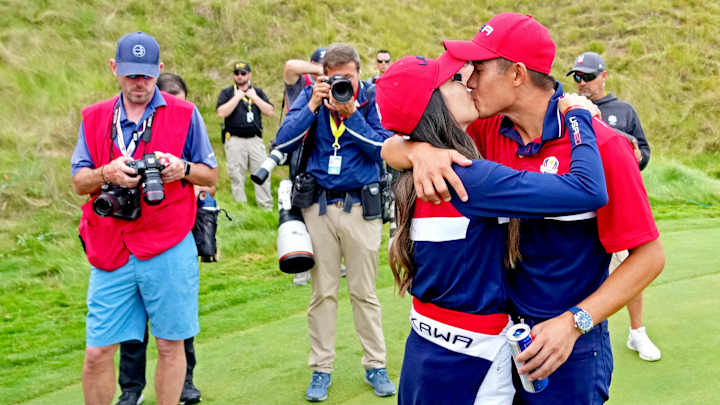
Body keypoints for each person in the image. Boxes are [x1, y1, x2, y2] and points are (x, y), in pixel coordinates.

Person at [382, 13, 665, 404]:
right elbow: (394, 142)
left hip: (567, 349)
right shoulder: (480, 129)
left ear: (516, 74)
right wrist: (419, 150)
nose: (469, 79)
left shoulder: (603, 146)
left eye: (479, 68)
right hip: (496, 345)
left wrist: (574, 324)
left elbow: (649, 256)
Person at [70, 32, 218, 405]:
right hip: (110, 248)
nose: (140, 83)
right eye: (132, 74)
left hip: (168, 243)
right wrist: (107, 172)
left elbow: (210, 176)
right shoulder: (94, 116)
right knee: (97, 352)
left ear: (159, 71)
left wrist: (182, 168)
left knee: (171, 344)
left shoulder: (186, 113)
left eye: (147, 75)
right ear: (115, 69)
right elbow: (78, 182)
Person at [274, 43, 395, 402]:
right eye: (336, 78)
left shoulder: (373, 99)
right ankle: (321, 370)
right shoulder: (315, 98)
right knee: (322, 293)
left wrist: (351, 113)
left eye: (350, 77)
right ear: (325, 76)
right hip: (319, 209)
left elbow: (383, 149)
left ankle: (376, 365)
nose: (344, 84)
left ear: (360, 72)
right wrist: (313, 105)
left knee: (364, 293)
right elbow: (282, 142)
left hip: (361, 206)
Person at [114, 72, 204, 405]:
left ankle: (185, 381)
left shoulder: (188, 124)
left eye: (178, 96)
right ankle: (131, 388)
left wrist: (183, 169)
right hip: (131, 232)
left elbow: (208, 175)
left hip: (178, 228)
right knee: (133, 322)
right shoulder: (132, 128)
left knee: (179, 319)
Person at [567, 51, 660, 361]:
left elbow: (643, 151)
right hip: (581, 208)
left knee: (629, 271)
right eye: (577, 78)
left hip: (617, 208)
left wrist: (635, 156)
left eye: (588, 77)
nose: (582, 84)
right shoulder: (568, 110)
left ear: (603, 76)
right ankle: (583, 333)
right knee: (582, 274)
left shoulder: (623, 110)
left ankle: (637, 333)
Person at [281, 47, 326, 286]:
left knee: (323, 206)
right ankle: (301, 263)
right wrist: (319, 70)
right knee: (300, 204)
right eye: (319, 65)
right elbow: (289, 67)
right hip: (300, 151)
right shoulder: (302, 87)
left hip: (323, 150)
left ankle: (325, 257)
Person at [216, 61, 275, 209]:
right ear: (233, 76)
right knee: (236, 175)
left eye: (243, 73)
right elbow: (221, 113)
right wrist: (237, 97)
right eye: (237, 73)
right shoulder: (227, 93)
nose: (240, 76)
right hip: (235, 140)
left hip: (254, 140)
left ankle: (266, 207)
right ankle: (241, 208)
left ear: (249, 75)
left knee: (262, 173)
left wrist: (254, 98)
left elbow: (270, 111)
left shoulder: (258, 92)